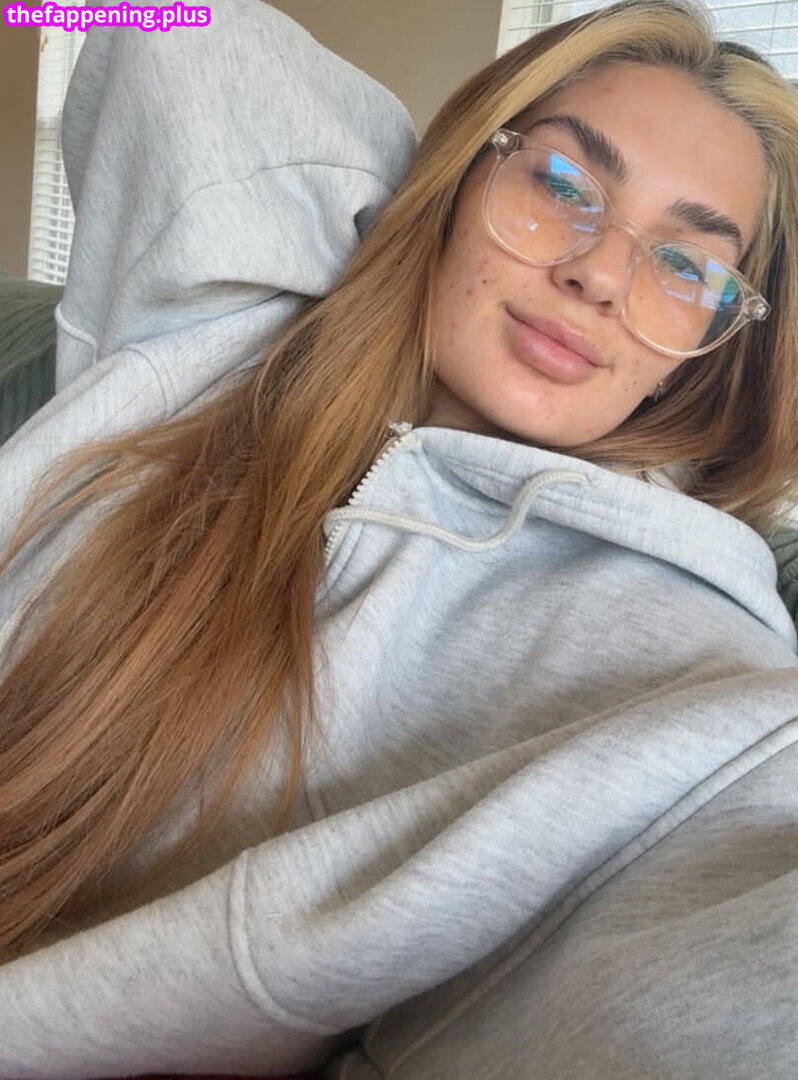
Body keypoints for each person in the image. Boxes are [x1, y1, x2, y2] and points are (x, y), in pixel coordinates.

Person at [1, 0, 798, 1076]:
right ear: (463, 177)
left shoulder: (679, 650)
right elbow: (166, 25)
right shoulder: (223, 328)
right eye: (562, 187)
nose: (601, 276)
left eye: (686, 266)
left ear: (706, 345)